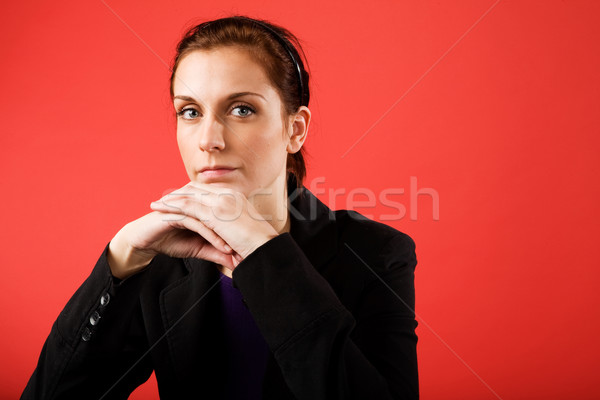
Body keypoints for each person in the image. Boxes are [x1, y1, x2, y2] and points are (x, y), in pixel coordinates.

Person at [22, 15, 419, 400]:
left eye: (241, 109)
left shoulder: (375, 253)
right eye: (190, 112)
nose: (208, 140)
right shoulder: (158, 261)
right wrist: (121, 259)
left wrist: (266, 255)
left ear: (294, 130)